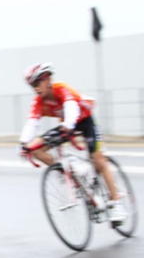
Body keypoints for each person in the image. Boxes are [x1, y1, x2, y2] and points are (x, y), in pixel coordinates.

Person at [19, 62, 127, 225]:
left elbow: (71, 107)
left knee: (98, 160)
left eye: (38, 83)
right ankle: (70, 174)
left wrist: (68, 125)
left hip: (84, 121)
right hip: (67, 125)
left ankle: (116, 203)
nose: (36, 88)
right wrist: (24, 144)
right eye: (32, 85)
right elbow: (32, 123)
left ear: (48, 80)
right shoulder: (38, 102)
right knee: (36, 150)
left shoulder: (61, 88)